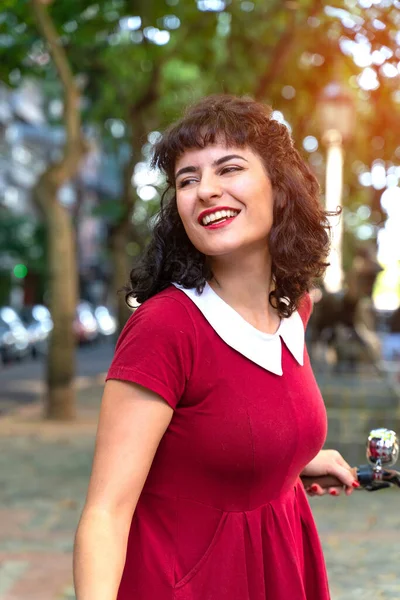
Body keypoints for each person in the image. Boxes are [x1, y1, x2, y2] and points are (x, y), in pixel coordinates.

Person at [73, 95, 359, 600]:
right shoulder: (166, 326)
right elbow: (105, 513)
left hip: (280, 566)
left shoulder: (295, 308)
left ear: (280, 187)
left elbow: (239, 421)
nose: (205, 190)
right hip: (189, 582)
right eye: (187, 180)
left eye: (229, 169)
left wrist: (292, 457)